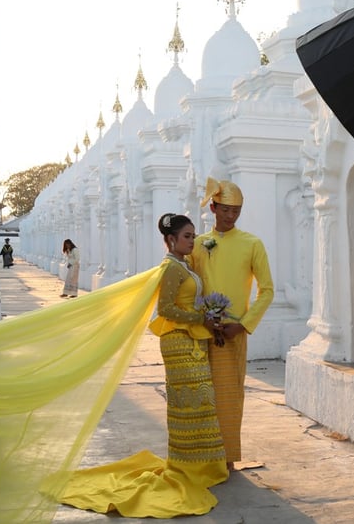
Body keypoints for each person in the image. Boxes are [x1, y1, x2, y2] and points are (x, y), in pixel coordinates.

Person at [58, 213, 228, 517]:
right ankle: (188, 467)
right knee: (188, 404)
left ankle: (202, 466)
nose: (192, 240)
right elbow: (166, 308)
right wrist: (200, 318)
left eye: (193, 235)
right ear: (171, 240)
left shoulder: (184, 265)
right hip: (177, 340)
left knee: (200, 403)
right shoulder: (171, 268)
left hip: (192, 339)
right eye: (187, 236)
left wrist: (206, 319)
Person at [189, 177, 274, 470]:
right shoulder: (198, 244)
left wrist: (244, 324)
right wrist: (197, 318)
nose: (230, 215)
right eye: (225, 209)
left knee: (228, 396)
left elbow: (267, 290)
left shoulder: (252, 244)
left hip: (232, 332)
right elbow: (189, 286)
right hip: (200, 331)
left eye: (236, 211)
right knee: (200, 395)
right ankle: (201, 456)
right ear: (213, 207)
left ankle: (226, 458)